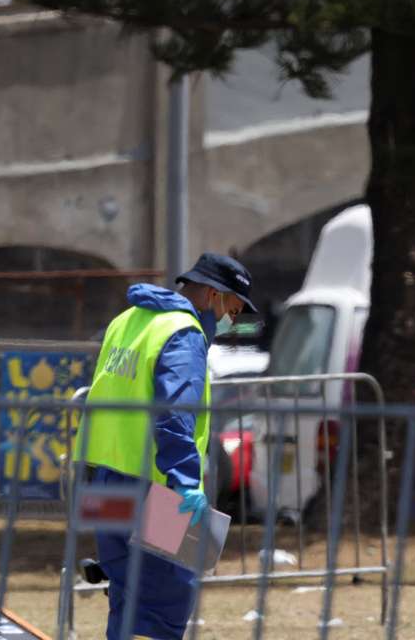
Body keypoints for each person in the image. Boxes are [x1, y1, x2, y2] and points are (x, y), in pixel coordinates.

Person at [72, 252, 256, 640]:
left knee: (126, 597)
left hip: (105, 481)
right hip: (156, 488)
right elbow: (174, 413)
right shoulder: (183, 332)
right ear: (212, 295)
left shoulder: (126, 320)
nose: (231, 322)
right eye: (233, 310)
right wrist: (186, 483)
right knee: (162, 604)